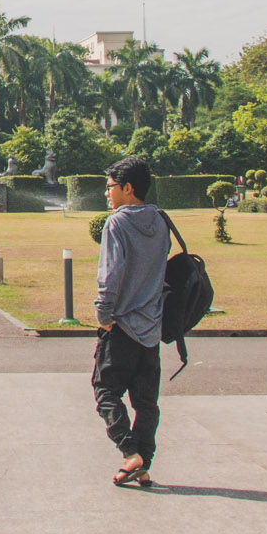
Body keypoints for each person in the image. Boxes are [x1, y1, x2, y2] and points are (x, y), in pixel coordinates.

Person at [95, 156, 172, 488]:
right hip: (152, 327)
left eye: (111, 186)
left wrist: (104, 314)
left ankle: (130, 452)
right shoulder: (160, 220)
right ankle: (144, 461)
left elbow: (111, 276)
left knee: (105, 390)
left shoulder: (117, 223)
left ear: (128, 188)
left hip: (122, 325)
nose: (107, 193)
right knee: (146, 402)